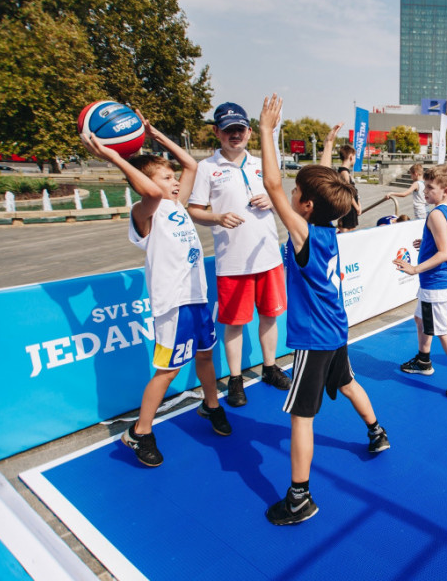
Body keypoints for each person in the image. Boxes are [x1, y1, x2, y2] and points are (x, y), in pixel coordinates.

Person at [257, 97, 389, 526]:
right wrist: (328, 149)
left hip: (314, 338)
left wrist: (266, 130)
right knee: (347, 383)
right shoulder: (330, 228)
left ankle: (299, 497)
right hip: (336, 329)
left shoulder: (304, 233)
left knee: (302, 417)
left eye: (298, 193)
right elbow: (327, 185)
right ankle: (377, 432)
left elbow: (272, 184)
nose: (291, 195)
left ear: (308, 206)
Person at [81, 111, 231, 467]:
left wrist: (154, 134)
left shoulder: (175, 205)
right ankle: (139, 432)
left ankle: (211, 406)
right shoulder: (145, 212)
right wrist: (114, 156)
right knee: (168, 371)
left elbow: (191, 164)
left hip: (196, 299)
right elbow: (149, 190)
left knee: (205, 356)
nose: (175, 181)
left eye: (173, 177)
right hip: (173, 306)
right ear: (145, 183)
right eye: (167, 178)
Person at [188, 102, 290, 408]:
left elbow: (281, 199)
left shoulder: (262, 162)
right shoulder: (207, 168)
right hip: (232, 261)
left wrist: (271, 201)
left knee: (270, 316)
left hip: (268, 256)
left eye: (240, 129)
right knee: (234, 323)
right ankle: (235, 379)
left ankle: (270, 367)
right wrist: (217, 217)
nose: (235, 135)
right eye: (229, 130)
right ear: (217, 132)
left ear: (249, 132)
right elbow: (194, 210)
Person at [394, 163, 447, 400]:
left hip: (435, 283)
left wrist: (414, 269)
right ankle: (423, 360)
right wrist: (428, 243)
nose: (425, 191)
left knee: (444, 332)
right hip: (439, 282)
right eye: (425, 187)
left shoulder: (435, 214)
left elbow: (446, 253)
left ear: (446, 191)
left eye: (430, 188)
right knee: (420, 318)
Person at [337, 145, 361, 232]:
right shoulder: (344, 173)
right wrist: (357, 207)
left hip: (351, 208)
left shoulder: (346, 172)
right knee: (347, 230)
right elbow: (347, 192)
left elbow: (353, 190)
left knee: (352, 229)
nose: (355, 159)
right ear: (351, 157)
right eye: (354, 157)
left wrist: (358, 204)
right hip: (348, 208)